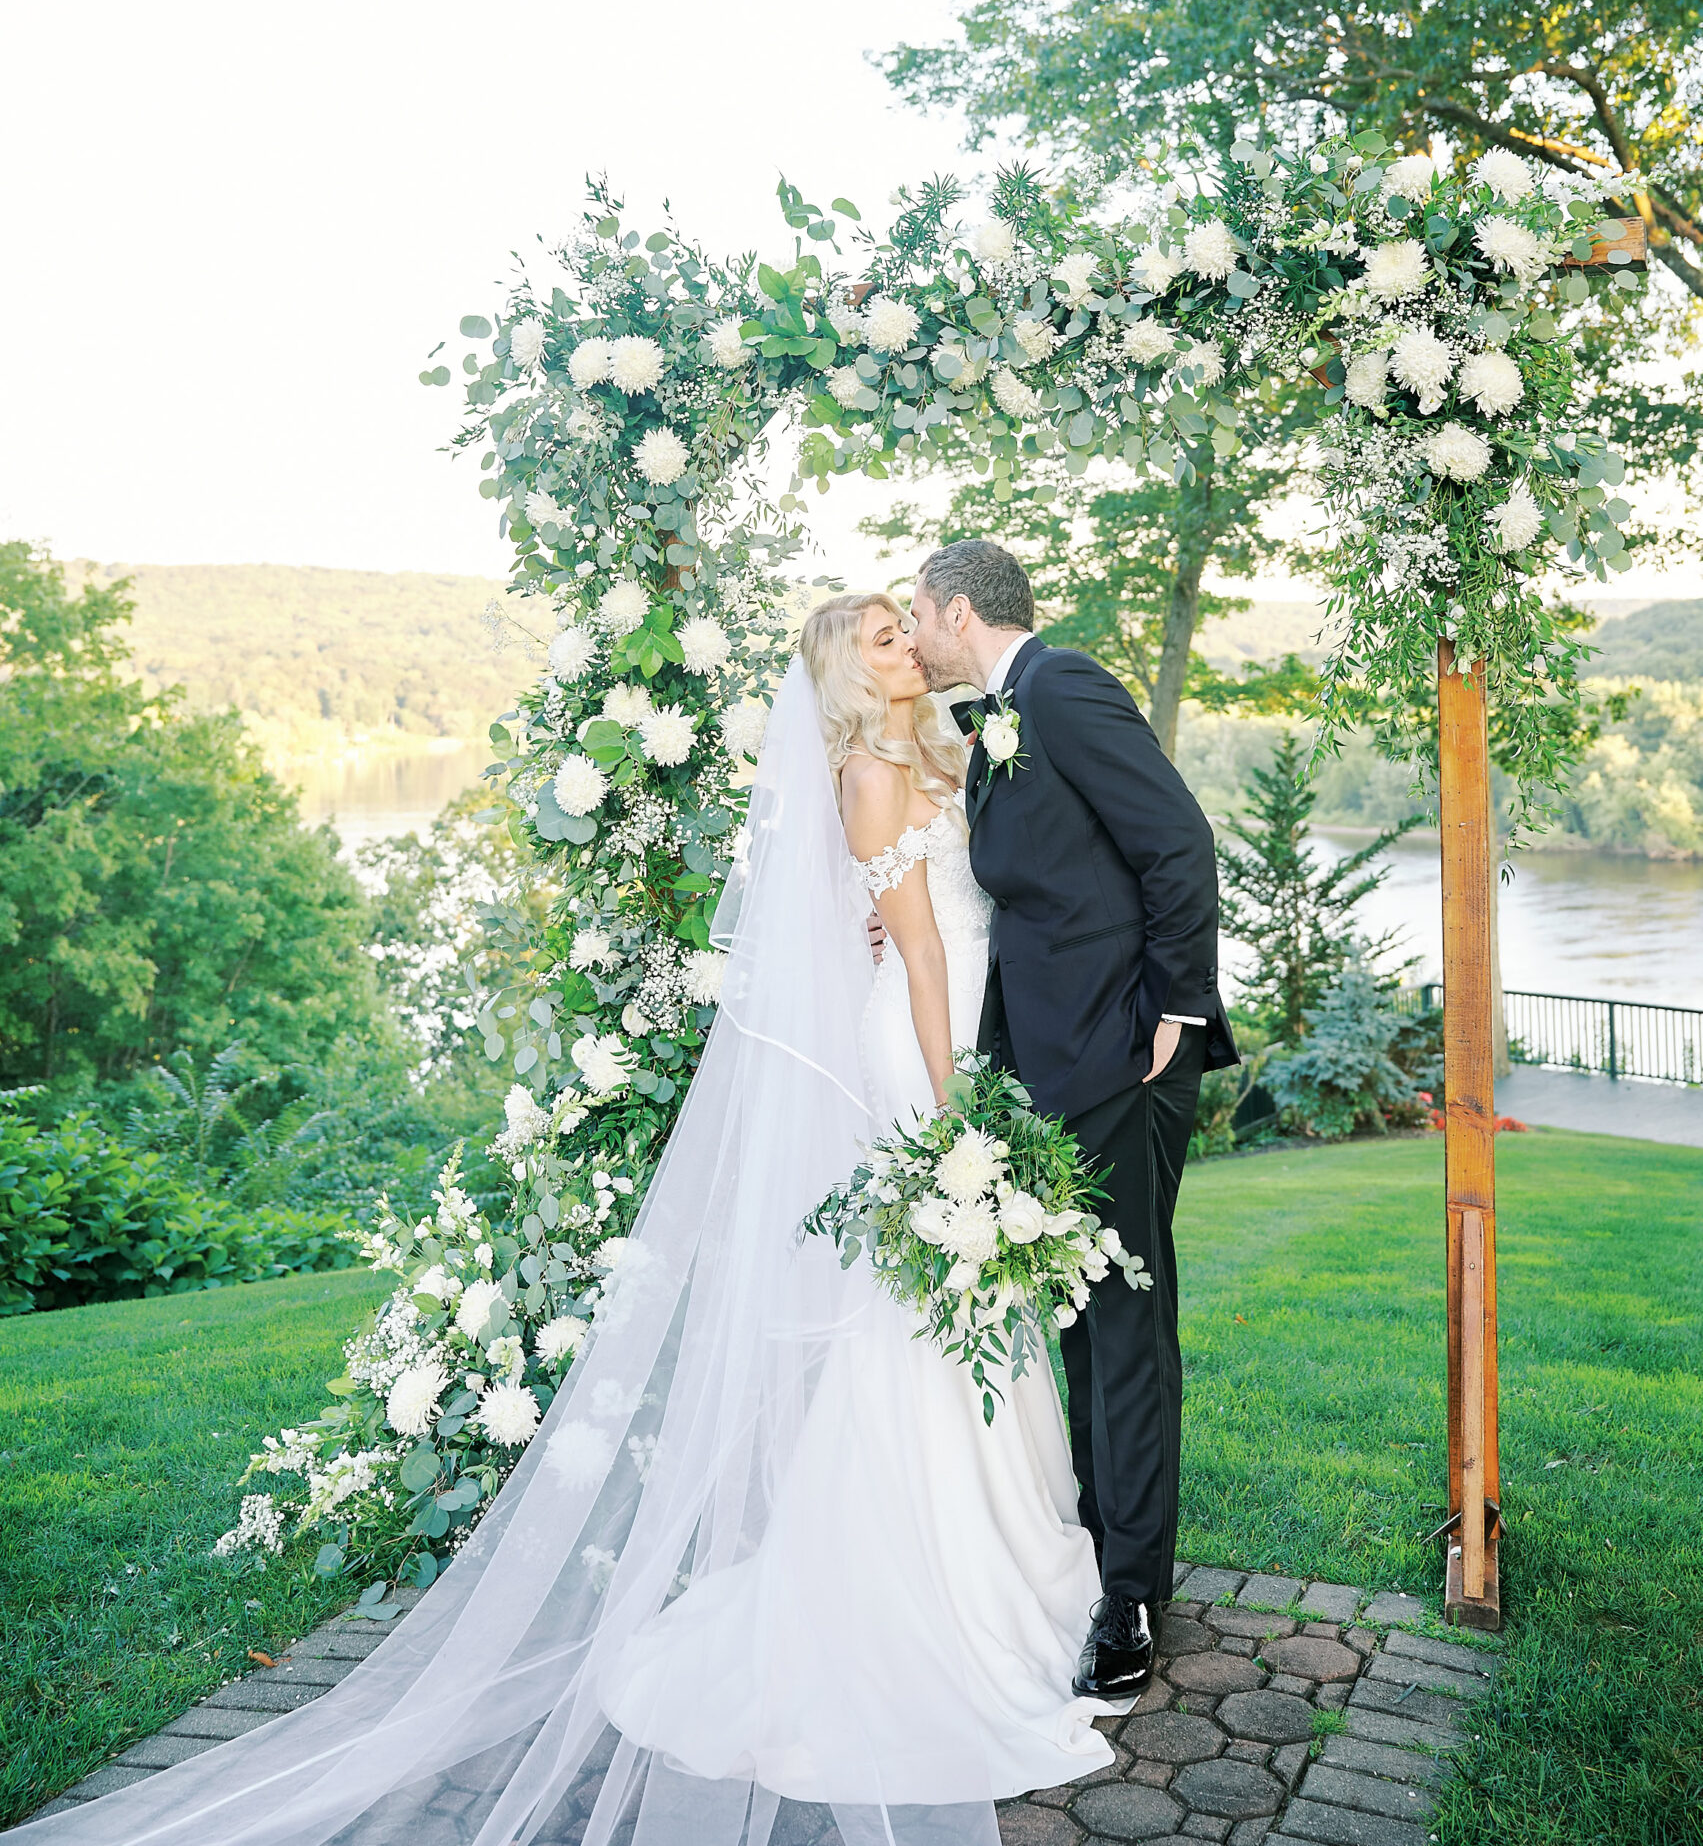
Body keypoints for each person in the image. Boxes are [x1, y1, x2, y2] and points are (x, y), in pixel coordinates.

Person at [28, 598, 1113, 1846]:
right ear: (842, 677)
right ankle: (922, 1594)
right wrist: (948, 1124)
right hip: (921, 1055)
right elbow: (919, 960)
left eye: (900, 627)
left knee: (945, 1317)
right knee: (916, 1321)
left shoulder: (933, 752)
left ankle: (991, 1575)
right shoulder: (871, 773)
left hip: (960, 1032)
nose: (902, 645)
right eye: (877, 637)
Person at [908, 538, 1236, 1709]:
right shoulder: (997, 714)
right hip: (1051, 1066)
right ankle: (1103, 1551)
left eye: (917, 613)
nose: (910, 633)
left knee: (1127, 1323)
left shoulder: (1062, 685)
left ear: (957, 610)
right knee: (1082, 1325)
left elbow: (1175, 841)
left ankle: (1135, 1596)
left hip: (1124, 1058)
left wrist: (1179, 1007)